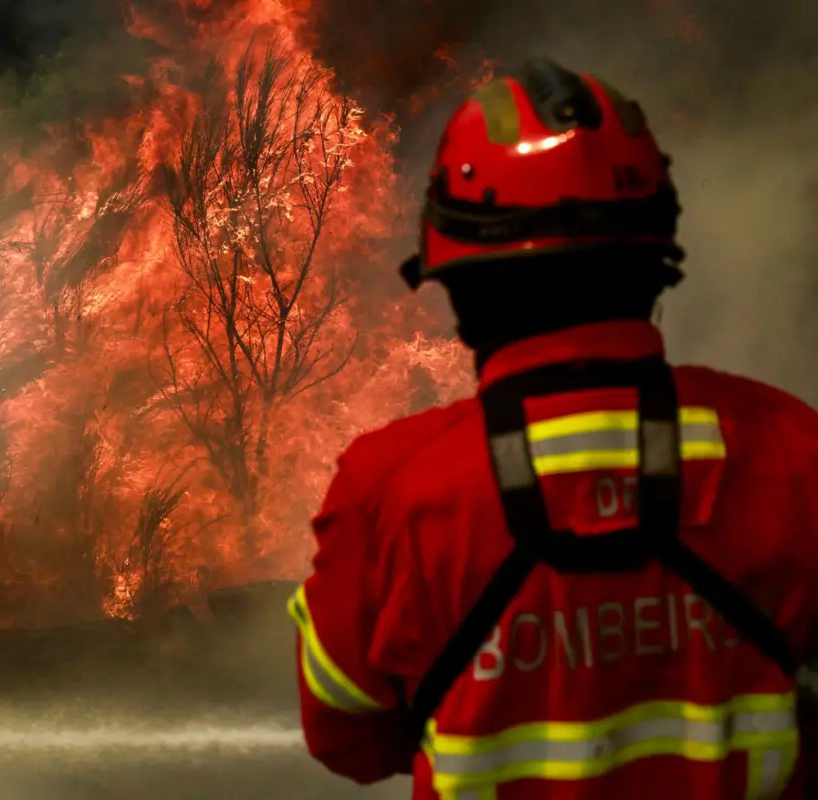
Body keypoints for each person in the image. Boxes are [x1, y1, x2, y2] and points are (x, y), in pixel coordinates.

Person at [288, 57, 818, 799]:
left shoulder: (391, 492)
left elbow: (347, 737)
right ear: (658, 259)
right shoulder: (795, 450)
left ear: (459, 281)